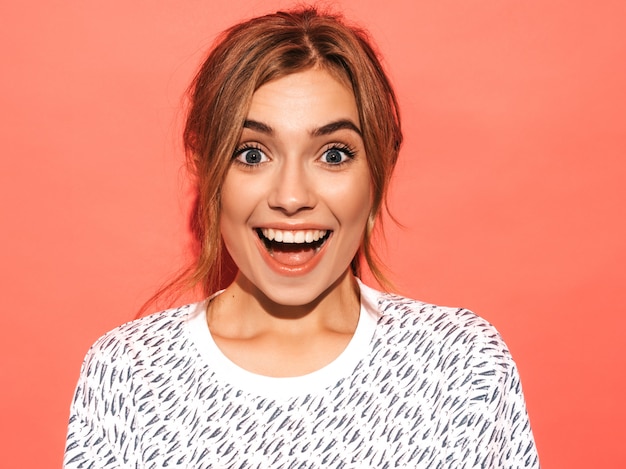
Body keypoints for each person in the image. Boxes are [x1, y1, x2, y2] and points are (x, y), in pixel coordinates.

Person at [64, 7, 539, 468]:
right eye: (251, 153)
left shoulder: (459, 369)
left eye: (333, 154)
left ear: (379, 167)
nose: (291, 198)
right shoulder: (129, 377)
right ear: (205, 167)